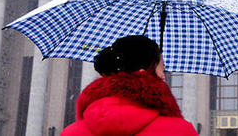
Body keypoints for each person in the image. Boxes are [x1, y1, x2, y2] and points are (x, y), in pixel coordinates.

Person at [61, 35, 198, 135]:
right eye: (162, 69)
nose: (164, 76)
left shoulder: (70, 132)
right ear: (142, 73)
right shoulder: (181, 131)